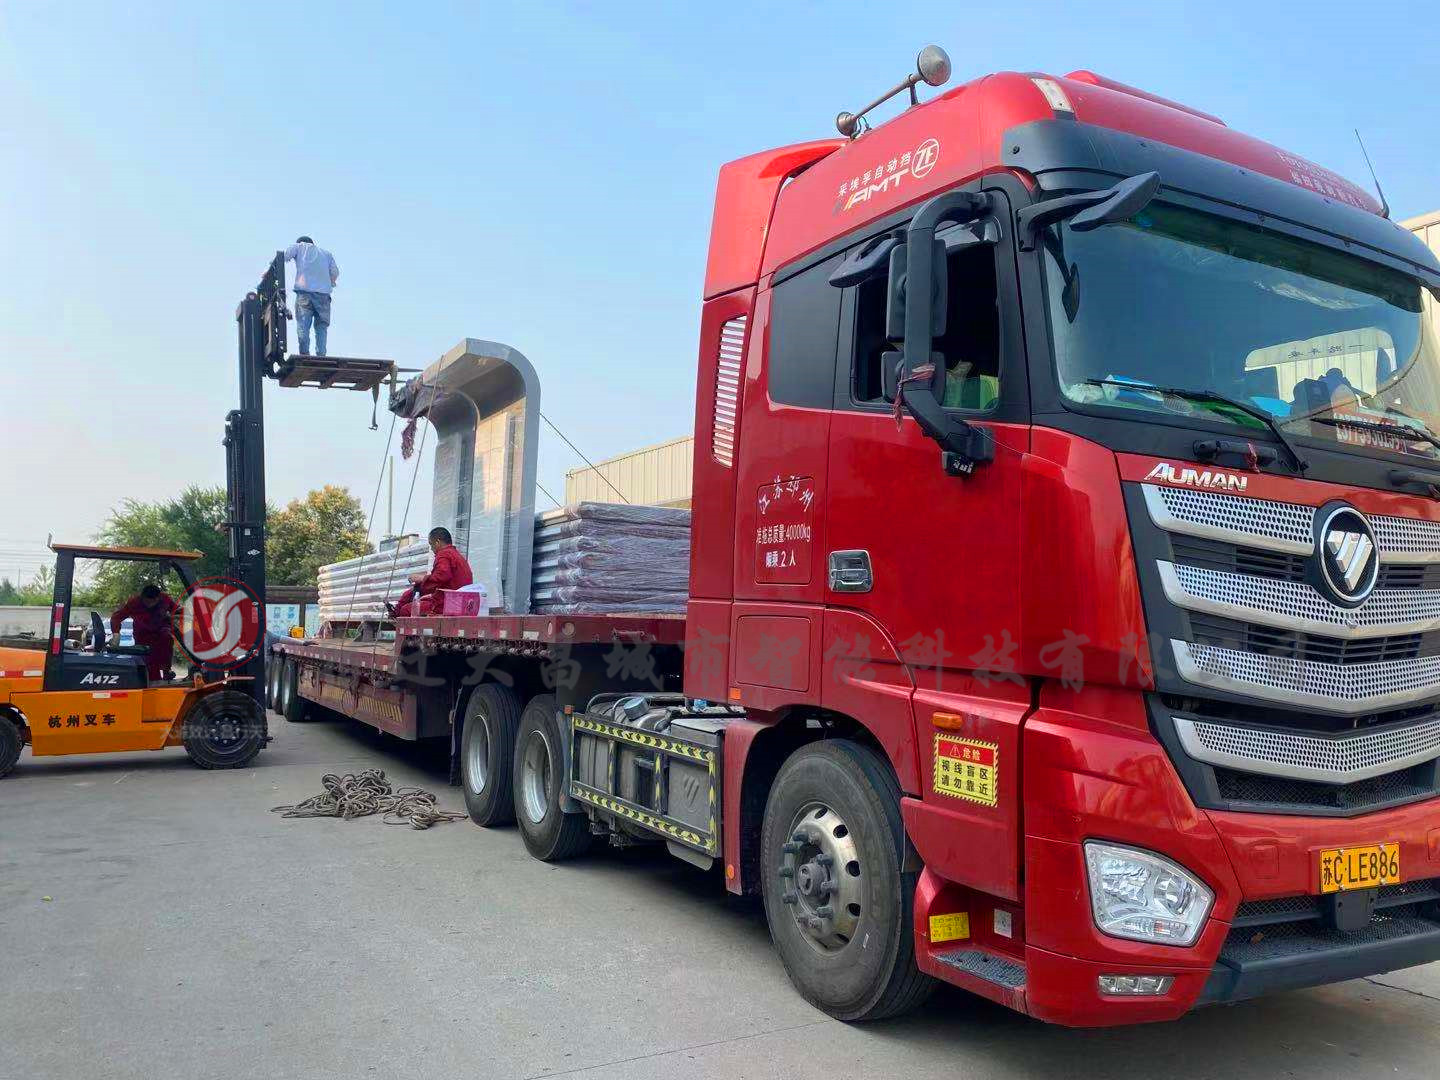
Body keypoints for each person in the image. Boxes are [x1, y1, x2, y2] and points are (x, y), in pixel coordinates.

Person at [387, 527, 473, 617]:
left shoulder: (444, 554)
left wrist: (422, 578)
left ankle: (396, 614)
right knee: (411, 594)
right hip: (461, 603)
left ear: (437, 542)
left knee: (406, 610)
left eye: (431, 544)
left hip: (447, 604)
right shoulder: (458, 556)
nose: (431, 549)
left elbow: (441, 576)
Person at [283, 236, 339, 357]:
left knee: (303, 325)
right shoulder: (326, 254)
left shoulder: (299, 246)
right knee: (321, 327)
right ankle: (321, 355)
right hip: (323, 296)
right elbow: (335, 273)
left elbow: (284, 256)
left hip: (305, 294)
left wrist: (267, 271)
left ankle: (305, 354)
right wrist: (329, 283)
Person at [110, 583, 177, 681]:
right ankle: (154, 680)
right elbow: (116, 617)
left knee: (167, 638)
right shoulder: (134, 602)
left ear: (158, 598)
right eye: (147, 602)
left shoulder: (165, 599)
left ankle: (167, 671)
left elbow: (177, 610)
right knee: (149, 661)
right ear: (142, 597)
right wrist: (116, 634)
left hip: (161, 631)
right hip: (143, 636)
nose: (149, 605)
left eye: (152, 602)